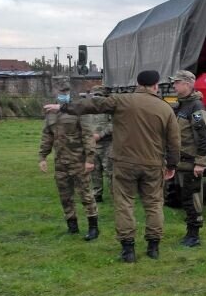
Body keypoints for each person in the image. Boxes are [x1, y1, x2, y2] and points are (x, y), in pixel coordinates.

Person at [45, 70, 180, 263]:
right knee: (153, 204)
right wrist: (172, 164)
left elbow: (92, 104)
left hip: (124, 163)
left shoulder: (121, 100)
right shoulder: (165, 108)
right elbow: (174, 141)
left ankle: (128, 249)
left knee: (124, 204)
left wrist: (63, 107)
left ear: (138, 84)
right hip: (153, 164)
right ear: (156, 85)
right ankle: (153, 246)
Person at [38, 78, 99, 241]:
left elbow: (88, 135)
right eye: (60, 92)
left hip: (78, 160)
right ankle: (72, 226)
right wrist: (43, 156)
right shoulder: (51, 111)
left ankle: (93, 227)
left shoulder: (78, 109)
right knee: (65, 195)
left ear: (70, 92)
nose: (62, 94)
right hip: (61, 162)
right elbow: (47, 135)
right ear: (55, 92)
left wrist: (90, 159)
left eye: (65, 92)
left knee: (86, 194)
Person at [170, 70, 206, 247]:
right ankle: (190, 231)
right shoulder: (181, 105)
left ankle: (194, 235)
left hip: (191, 162)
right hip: (181, 161)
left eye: (177, 82)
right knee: (185, 197)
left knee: (193, 197)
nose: (174, 86)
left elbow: (204, 135)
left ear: (187, 84)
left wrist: (201, 162)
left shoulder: (196, 106)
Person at [85, 86, 113, 202]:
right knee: (94, 171)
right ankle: (97, 194)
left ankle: (116, 194)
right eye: (95, 95)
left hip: (107, 145)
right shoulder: (89, 109)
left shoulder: (110, 109)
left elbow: (114, 125)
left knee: (111, 171)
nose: (97, 98)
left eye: (99, 95)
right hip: (93, 145)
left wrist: (100, 135)